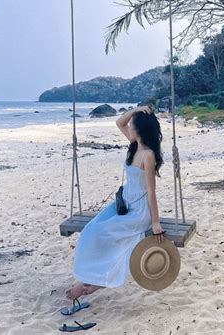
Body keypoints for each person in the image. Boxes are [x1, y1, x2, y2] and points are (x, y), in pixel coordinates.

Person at [65, 105, 165, 300]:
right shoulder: (135, 145)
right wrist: (138, 109)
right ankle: (90, 279)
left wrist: (155, 222)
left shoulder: (148, 155)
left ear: (140, 130)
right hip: (125, 204)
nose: (129, 128)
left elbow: (152, 192)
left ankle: (92, 282)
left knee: (102, 233)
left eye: (133, 126)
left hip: (139, 211)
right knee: (91, 230)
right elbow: (119, 122)